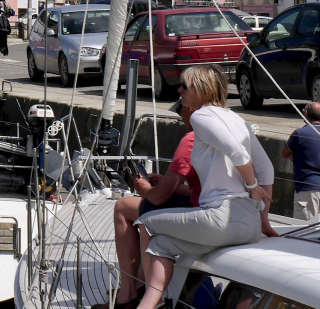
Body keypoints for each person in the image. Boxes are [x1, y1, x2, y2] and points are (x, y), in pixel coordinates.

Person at [133, 65, 273, 309]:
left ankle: (147, 301)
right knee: (160, 244)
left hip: (220, 219)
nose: (180, 90)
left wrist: (252, 186)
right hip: (247, 226)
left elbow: (237, 152)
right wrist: (264, 222)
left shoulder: (200, 116)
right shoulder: (237, 119)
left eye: (185, 86)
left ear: (202, 89)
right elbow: (267, 168)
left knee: (145, 222)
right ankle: (153, 303)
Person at [100, 102, 202, 309]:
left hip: (198, 211)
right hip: (208, 204)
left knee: (122, 207)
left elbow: (157, 198)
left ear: (190, 111)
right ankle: (138, 283)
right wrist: (168, 183)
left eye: (180, 112)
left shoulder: (192, 140)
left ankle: (128, 293)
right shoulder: (224, 135)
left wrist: (144, 188)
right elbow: (201, 189)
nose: (181, 118)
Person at [282, 101, 320, 221]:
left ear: (306, 113)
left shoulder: (300, 134)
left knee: (305, 231)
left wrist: (295, 153)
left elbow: (284, 153)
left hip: (308, 189)